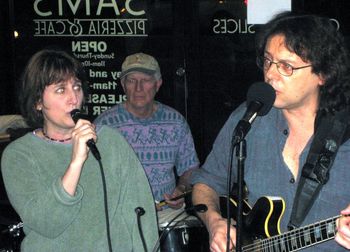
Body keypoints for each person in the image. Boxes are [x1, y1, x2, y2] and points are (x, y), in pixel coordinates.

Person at [190, 12, 350, 252]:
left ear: (323, 74)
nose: (270, 75)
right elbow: (206, 182)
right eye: (267, 61)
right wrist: (214, 222)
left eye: (286, 66)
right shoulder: (248, 120)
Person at [1, 49, 158, 251]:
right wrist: (76, 162)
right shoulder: (19, 155)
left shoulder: (110, 140)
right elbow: (46, 223)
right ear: (38, 102)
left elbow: (140, 212)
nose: (73, 98)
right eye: (60, 90)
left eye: (76, 87)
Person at [94, 52, 200, 213]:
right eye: (131, 80)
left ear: (158, 84)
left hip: (166, 216)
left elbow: (190, 168)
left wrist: (182, 189)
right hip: (120, 216)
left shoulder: (175, 122)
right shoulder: (104, 126)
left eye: (145, 80)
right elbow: (91, 176)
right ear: (123, 85)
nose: (138, 88)